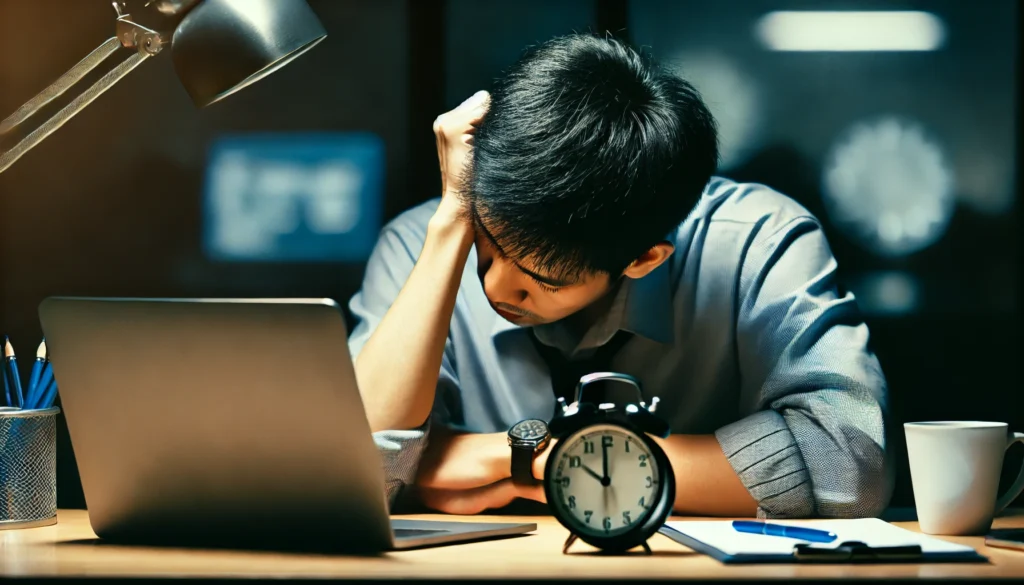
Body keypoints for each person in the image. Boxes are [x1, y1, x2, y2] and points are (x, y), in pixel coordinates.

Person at [348, 33, 892, 519]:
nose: (493, 287)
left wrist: (544, 458)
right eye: (486, 247)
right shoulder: (422, 238)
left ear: (643, 259)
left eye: (543, 278)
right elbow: (349, 467)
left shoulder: (761, 240)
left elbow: (850, 465)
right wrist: (453, 223)